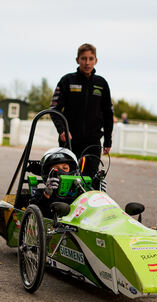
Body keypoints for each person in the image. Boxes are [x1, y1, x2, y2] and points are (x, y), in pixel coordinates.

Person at [50, 43, 114, 180]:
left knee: (89, 179)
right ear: (77, 60)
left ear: (96, 61)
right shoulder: (67, 80)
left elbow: (108, 114)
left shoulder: (101, 83)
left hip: (93, 142)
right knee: (66, 179)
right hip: (69, 141)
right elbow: (54, 109)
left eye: (91, 59)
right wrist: (62, 130)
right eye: (84, 58)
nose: (87, 62)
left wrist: (108, 140)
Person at [29, 147, 79, 217]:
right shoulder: (40, 194)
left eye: (65, 168)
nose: (61, 172)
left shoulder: (77, 193)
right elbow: (34, 213)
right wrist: (46, 195)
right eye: (56, 169)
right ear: (48, 173)